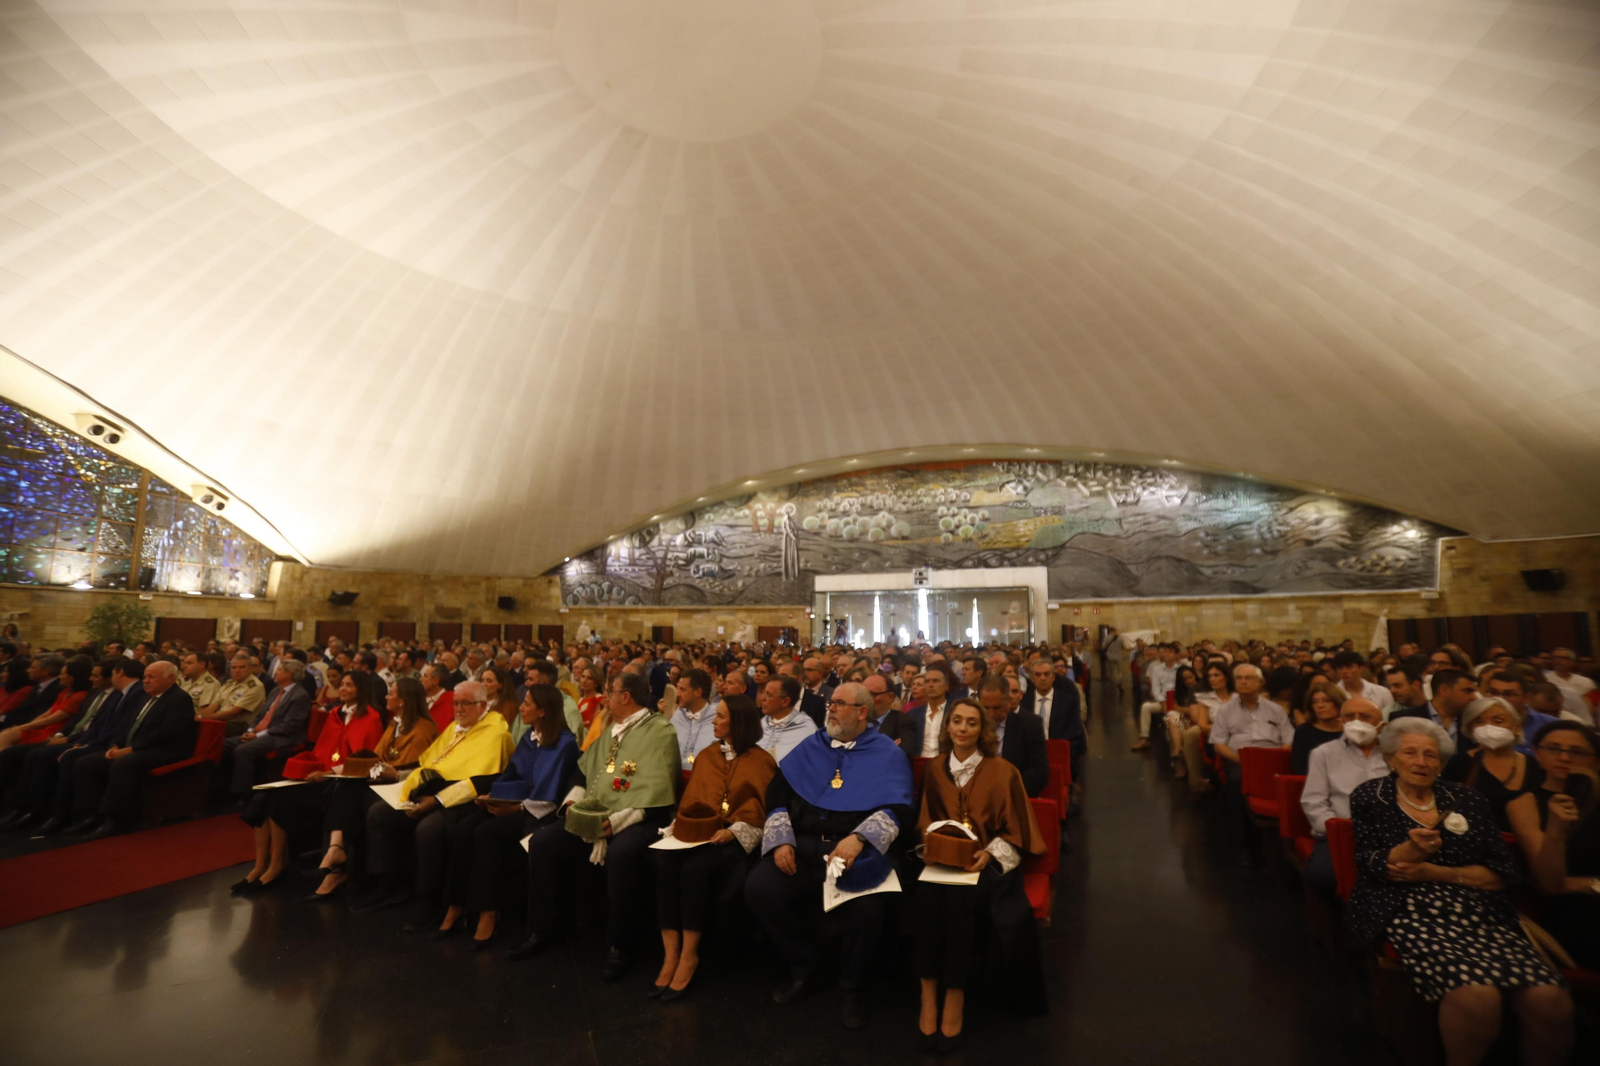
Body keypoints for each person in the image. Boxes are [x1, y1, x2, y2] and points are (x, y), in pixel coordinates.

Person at [1347, 718, 1572, 1066]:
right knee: (1477, 995)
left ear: (1441, 763)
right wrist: (1411, 851)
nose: (1421, 762)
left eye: (1431, 755)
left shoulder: (1468, 798)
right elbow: (1373, 863)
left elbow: (1504, 874)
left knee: (1550, 999)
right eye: (1410, 753)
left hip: (1482, 912)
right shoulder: (1370, 795)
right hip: (1410, 909)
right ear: (1391, 758)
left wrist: (1435, 871)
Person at [745, 682, 914, 1030]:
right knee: (760, 888)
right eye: (831, 703)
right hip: (805, 846)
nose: (831, 709)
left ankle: (851, 987)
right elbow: (778, 796)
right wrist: (781, 840)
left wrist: (860, 837)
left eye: (839, 704)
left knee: (867, 908)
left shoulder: (887, 753)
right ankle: (806, 968)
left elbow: (899, 809)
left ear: (862, 712)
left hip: (856, 852)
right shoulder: (813, 745)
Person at [509, 671, 679, 979]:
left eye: (611, 692)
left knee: (621, 854)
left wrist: (616, 822)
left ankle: (621, 945)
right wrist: (574, 803)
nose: (606, 698)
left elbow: (658, 792)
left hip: (640, 816)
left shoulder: (660, 731)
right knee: (543, 842)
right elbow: (582, 771)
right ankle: (545, 928)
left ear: (626, 697)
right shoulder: (613, 728)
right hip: (596, 812)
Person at [914, 697, 1045, 1048]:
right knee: (926, 897)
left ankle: (954, 998)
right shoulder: (935, 768)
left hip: (987, 864)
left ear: (983, 730)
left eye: (971, 723)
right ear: (947, 727)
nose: (962, 728)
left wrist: (988, 856)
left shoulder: (1004, 771)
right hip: (942, 861)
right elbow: (925, 820)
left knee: (960, 900)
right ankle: (928, 996)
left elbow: (1015, 831)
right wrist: (930, 847)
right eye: (956, 721)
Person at [353, 681, 513, 922]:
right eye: (455, 703)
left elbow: (481, 780)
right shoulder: (456, 727)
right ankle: (388, 886)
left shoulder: (495, 733)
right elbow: (429, 764)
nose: (458, 709)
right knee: (379, 813)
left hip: (465, 800)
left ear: (482, 705)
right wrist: (412, 790)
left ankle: (429, 900)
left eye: (465, 703)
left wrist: (436, 801)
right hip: (432, 791)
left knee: (429, 829)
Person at [653, 694, 777, 1000]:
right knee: (664, 863)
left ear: (740, 722)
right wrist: (677, 829)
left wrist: (733, 831)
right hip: (699, 832)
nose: (714, 721)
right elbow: (693, 799)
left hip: (731, 839)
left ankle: (690, 955)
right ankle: (670, 954)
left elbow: (762, 814)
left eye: (721, 716)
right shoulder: (708, 755)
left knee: (695, 870)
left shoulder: (761, 761)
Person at [436, 683, 579, 948]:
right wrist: (494, 796)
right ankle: (456, 903)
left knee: (487, 832)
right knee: (466, 826)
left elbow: (553, 796)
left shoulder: (565, 744)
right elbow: (513, 773)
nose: (520, 708)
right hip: (513, 804)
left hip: (538, 813)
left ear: (543, 711)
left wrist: (517, 807)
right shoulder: (529, 737)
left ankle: (488, 910)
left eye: (527, 704)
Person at [231, 671, 385, 895]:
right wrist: (314, 767)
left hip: (344, 781)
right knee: (264, 797)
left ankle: (277, 866)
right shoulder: (336, 713)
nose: (342, 689)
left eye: (349, 685)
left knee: (281, 800)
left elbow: (367, 758)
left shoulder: (371, 717)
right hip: (321, 773)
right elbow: (323, 748)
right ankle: (261, 865)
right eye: (341, 684)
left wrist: (329, 771)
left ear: (361, 689)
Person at [308, 676, 439, 900]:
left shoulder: (423, 729)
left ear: (403, 701)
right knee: (345, 788)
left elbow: (418, 769)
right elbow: (374, 759)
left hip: (406, 788)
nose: (386, 696)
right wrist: (336, 772)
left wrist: (393, 772)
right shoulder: (395, 725)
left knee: (354, 798)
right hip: (383, 783)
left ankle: (344, 863)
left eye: (392, 693)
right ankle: (336, 854)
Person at [67, 660, 197, 839]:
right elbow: (125, 725)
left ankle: (114, 819)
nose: (146, 681)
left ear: (171, 679)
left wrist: (131, 749)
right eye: (145, 677)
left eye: (152, 677)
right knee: (86, 763)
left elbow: (167, 733)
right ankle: (90, 814)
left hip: (165, 750)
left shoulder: (179, 699)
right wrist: (114, 745)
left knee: (123, 763)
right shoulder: (144, 696)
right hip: (134, 748)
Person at [1506, 721, 1600, 969]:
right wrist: (1556, 830)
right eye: (1554, 748)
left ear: (1596, 760)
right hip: (1570, 913)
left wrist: (1586, 883)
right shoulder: (1525, 804)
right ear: (1537, 753)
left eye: (1577, 752)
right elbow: (1549, 884)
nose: (1564, 757)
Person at [1209, 663, 1294, 866]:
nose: (1243, 682)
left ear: (1260, 682)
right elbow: (1219, 744)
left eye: (1248, 678)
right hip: (1240, 759)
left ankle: (1287, 841)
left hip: (1272, 758)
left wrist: (1276, 759)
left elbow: (1288, 740)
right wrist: (1243, 760)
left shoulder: (1275, 710)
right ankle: (1242, 843)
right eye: (1239, 678)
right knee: (1236, 783)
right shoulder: (1226, 710)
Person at [1300, 697, 1387, 895]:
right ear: (1341, 721)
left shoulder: (1393, 754)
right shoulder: (1323, 753)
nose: (1357, 721)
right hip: (1342, 830)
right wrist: (1337, 829)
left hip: (1387, 831)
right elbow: (1314, 801)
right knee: (1323, 876)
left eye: (1365, 716)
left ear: (1381, 725)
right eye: (1350, 716)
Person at [1441, 697, 1542, 831]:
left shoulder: (1535, 764)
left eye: (1498, 721)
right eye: (1479, 722)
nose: (1488, 726)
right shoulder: (1458, 764)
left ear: (1516, 727)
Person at [222, 660, 311, 795]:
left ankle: (240, 796)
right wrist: (251, 731)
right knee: (224, 745)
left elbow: (289, 726)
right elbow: (260, 715)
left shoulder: (300, 695)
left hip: (281, 737)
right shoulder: (276, 691)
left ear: (288, 674)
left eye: (279, 670)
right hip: (261, 732)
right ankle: (220, 788)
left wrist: (257, 735)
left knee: (243, 750)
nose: (275, 673)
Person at [976, 675, 1046, 797]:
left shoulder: (1030, 726)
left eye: (997, 708)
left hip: (1014, 796)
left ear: (1009, 700)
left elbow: (1038, 771)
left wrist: (1009, 792)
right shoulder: (972, 725)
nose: (991, 714)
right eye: (985, 708)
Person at [1391, 668, 1477, 745]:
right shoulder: (1403, 719)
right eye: (1467, 691)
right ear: (1444, 690)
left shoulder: (1473, 722)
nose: (1474, 697)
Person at [755, 675, 818, 762]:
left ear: (785, 701)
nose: (763, 698)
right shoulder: (761, 723)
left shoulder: (806, 729)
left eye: (769, 695)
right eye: (764, 692)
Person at [1290, 681, 1347, 775]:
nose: (1320, 705)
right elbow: (1300, 767)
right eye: (1315, 702)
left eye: (1326, 701)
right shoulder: (1303, 731)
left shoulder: (1349, 730)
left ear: (1338, 703)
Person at [667, 668, 716, 770]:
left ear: (698, 692)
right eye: (678, 688)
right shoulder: (678, 716)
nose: (678, 694)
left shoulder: (715, 718)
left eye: (682, 689)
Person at [1134, 643, 1179, 751]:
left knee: (1172, 713)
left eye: (1170, 652)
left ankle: (1176, 743)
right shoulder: (1157, 669)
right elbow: (1155, 688)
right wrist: (1162, 701)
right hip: (1162, 700)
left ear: (1176, 655)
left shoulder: (1180, 669)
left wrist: (1172, 702)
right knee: (1146, 707)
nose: (1166, 654)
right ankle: (1144, 738)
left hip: (1176, 701)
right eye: (1165, 652)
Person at [211, 654, 267, 735]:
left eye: (242, 667)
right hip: (221, 722)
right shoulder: (229, 683)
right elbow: (212, 707)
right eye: (234, 668)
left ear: (250, 668)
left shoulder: (255, 686)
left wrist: (205, 718)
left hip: (240, 726)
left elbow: (232, 713)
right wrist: (199, 716)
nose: (237, 670)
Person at [1331, 650, 1394, 715]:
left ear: (1361, 668)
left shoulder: (1382, 692)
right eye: (1340, 668)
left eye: (1349, 667)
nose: (1344, 671)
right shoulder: (1332, 695)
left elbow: (1389, 719)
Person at [1544, 648, 1596, 725]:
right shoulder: (1544, 679)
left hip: (1581, 720)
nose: (1557, 661)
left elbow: (1593, 705)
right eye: (1555, 658)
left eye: (1562, 658)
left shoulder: (1586, 682)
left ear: (1572, 662)